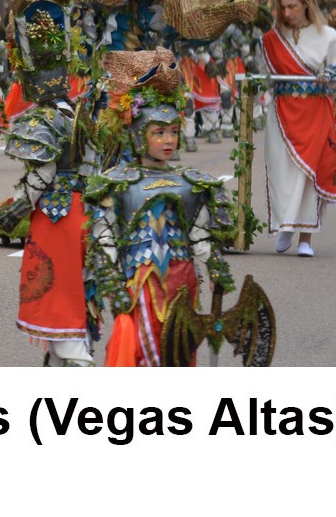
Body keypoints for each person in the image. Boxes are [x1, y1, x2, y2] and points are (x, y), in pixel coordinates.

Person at [84, 48, 238, 367]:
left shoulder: (190, 182)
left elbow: (199, 236)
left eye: (173, 132)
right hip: (140, 282)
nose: (168, 140)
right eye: (158, 133)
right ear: (138, 135)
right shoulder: (118, 183)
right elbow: (104, 240)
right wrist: (111, 283)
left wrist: (215, 267)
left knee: (178, 355)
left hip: (182, 284)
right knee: (141, 351)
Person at [1, 0, 94, 366]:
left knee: (59, 307)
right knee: (69, 304)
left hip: (56, 217)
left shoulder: (44, 119)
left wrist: (15, 207)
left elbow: (43, 173)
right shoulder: (77, 111)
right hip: (81, 210)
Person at [261, 0, 336, 257]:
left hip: (315, 112)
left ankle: (306, 239)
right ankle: (286, 224)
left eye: (292, 6)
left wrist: (331, 75)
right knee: (282, 171)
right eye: (283, 7)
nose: (287, 12)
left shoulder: (327, 35)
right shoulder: (272, 38)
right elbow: (265, 77)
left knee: (308, 173)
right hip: (281, 114)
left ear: (305, 4)